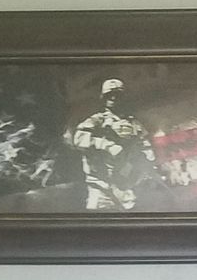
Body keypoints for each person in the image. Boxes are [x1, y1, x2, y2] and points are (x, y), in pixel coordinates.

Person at [67, 79, 157, 211]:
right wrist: (106, 145)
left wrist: (148, 160)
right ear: (103, 98)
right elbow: (79, 139)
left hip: (126, 183)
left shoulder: (133, 123)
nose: (114, 98)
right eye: (110, 95)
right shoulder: (97, 120)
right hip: (101, 183)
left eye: (118, 95)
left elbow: (144, 144)